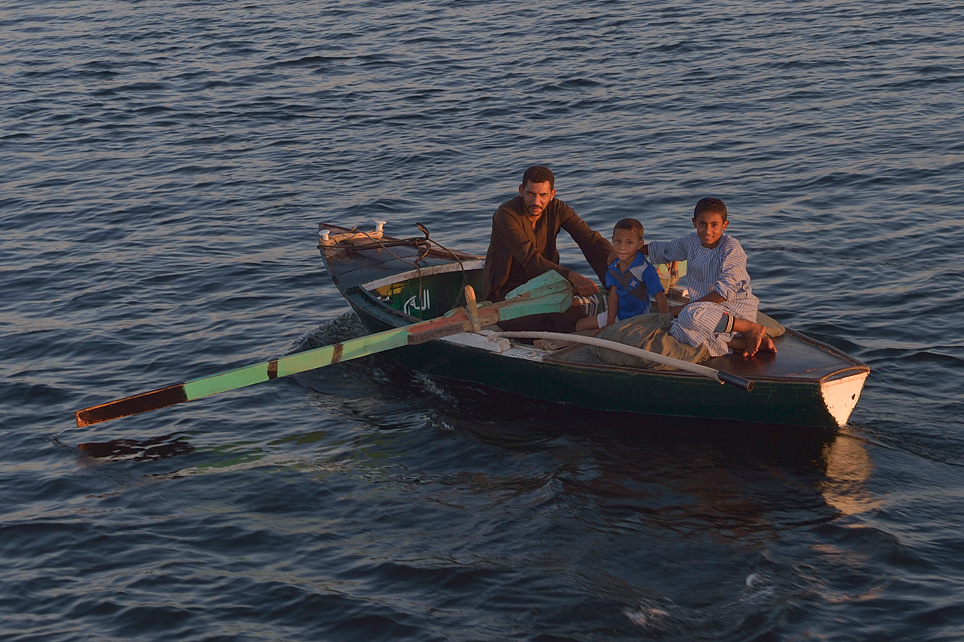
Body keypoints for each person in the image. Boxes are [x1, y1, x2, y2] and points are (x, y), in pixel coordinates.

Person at [482, 165, 613, 332]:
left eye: (543, 195)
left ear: (552, 194)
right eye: (530, 194)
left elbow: (590, 240)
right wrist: (572, 276)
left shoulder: (559, 209)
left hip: (547, 288)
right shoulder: (506, 214)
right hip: (506, 296)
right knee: (557, 320)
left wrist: (618, 263)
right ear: (521, 191)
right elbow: (530, 259)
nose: (536, 202)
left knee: (579, 312)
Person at [644, 197, 776, 358]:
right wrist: (631, 249)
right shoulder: (691, 241)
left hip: (734, 311)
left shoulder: (731, 248)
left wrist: (685, 308)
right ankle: (741, 344)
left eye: (714, 225)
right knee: (677, 330)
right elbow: (665, 250)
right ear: (694, 223)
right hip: (705, 311)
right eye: (702, 224)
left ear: (724, 225)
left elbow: (724, 293)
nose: (707, 231)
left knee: (689, 316)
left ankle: (750, 328)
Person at [575, 218, 668, 332]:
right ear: (612, 240)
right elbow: (613, 296)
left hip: (638, 319)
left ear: (639, 244)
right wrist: (609, 324)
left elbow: (661, 298)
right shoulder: (613, 266)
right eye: (618, 241)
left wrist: (663, 326)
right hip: (618, 316)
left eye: (629, 243)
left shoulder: (645, 269)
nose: (622, 247)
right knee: (580, 326)